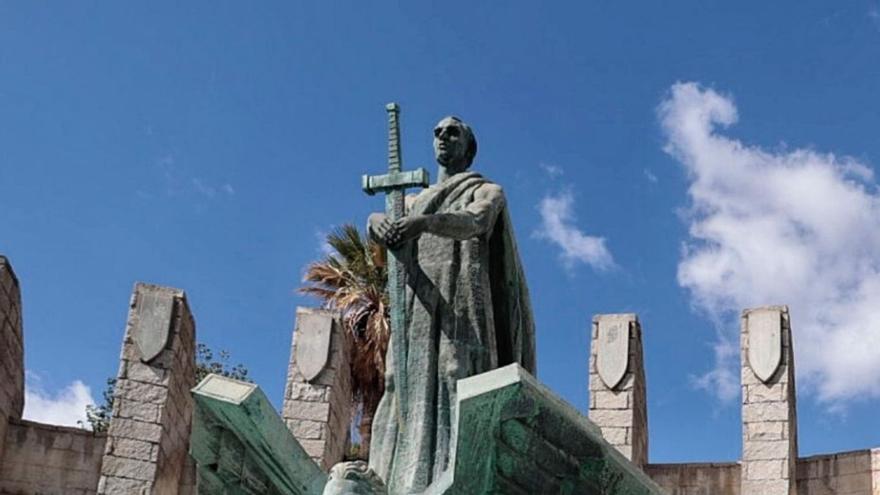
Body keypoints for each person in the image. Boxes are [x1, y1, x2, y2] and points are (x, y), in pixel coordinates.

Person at [367, 116, 535, 494]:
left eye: (453, 132)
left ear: (468, 146)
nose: (443, 136)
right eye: (438, 132)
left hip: (461, 302)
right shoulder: (410, 200)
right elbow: (380, 242)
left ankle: (460, 478)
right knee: (398, 381)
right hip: (416, 308)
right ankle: (393, 478)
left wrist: (424, 223)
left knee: (457, 374)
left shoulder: (484, 190)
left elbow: (477, 220)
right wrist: (375, 222)